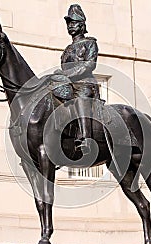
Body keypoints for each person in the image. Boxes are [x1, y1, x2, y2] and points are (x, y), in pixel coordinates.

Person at [55, 4, 100, 153]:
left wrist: (68, 75)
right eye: (68, 23)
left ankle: (86, 139)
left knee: (80, 100)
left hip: (85, 85)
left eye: (73, 22)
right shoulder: (67, 49)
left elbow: (89, 65)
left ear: (82, 25)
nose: (70, 26)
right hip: (68, 85)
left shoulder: (90, 43)